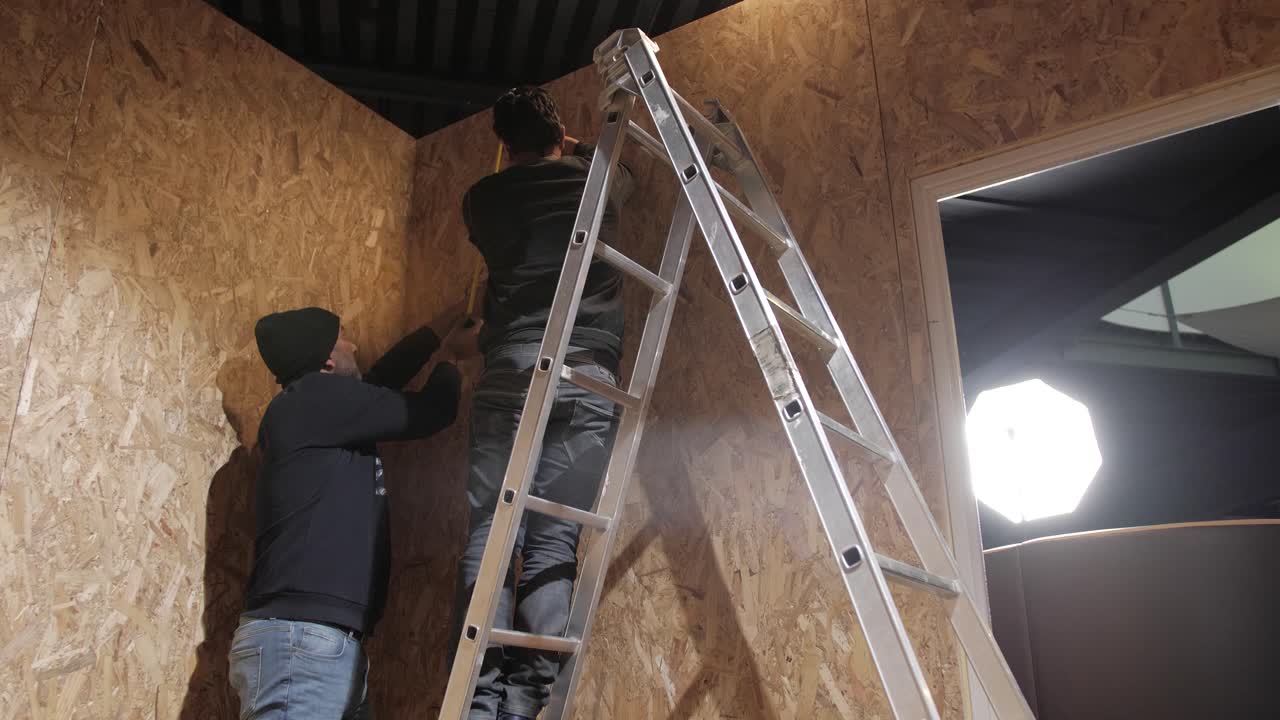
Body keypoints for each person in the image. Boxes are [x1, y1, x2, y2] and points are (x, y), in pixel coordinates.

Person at [452, 86, 634, 720]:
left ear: (504, 146)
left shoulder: (481, 200)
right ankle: (524, 704)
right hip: (585, 377)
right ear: (558, 132)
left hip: (509, 372)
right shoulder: (594, 181)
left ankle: (477, 701)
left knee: (491, 533)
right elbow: (626, 181)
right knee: (554, 544)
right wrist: (578, 148)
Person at [229, 306, 479, 719]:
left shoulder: (311, 407)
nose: (355, 346)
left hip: (312, 644)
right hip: (302, 645)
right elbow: (429, 412)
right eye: (343, 338)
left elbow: (380, 380)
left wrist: (440, 328)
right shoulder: (317, 399)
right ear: (327, 360)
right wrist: (452, 357)